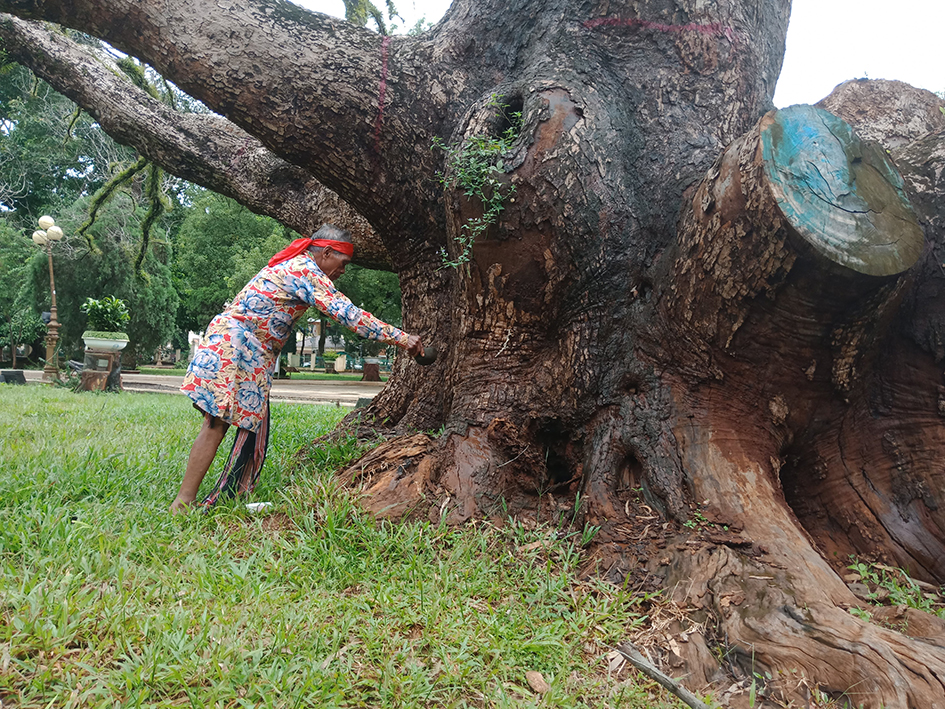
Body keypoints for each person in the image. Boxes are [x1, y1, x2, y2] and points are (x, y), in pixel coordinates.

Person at [170, 224, 423, 512]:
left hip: (247, 349)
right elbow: (349, 315)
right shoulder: (306, 271)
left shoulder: (299, 267)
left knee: (247, 425)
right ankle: (183, 503)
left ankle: (232, 498)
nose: (343, 271)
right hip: (236, 346)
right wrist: (402, 338)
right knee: (216, 423)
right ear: (326, 252)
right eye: (343, 263)